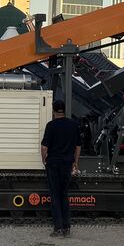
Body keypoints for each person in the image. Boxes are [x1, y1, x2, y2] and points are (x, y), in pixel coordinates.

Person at [40, 100, 81, 237]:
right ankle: (67, 227)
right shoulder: (73, 125)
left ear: (53, 110)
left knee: (55, 195)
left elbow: (44, 147)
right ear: (64, 110)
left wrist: (44, 160)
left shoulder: (51, 126)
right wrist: (75, 162)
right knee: (64, 194)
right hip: (67, 164)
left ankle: (57, 228)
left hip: (53, 164)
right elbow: (78, 146)